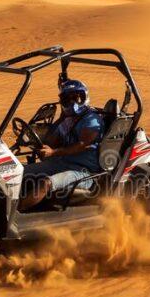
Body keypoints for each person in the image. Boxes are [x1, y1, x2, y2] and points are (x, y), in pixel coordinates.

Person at [19, 79, 104, 210]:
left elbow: (83, 144)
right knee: (19, 173)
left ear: (84, 97)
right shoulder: (67, 120)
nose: (72, 103)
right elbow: (51, 141)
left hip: (83, 171)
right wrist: (60, 119)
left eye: (76, 98)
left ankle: (13, 217)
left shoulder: (91, 119)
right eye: (67, 99)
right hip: (61, 163)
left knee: (45, 183)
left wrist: (53, 153)